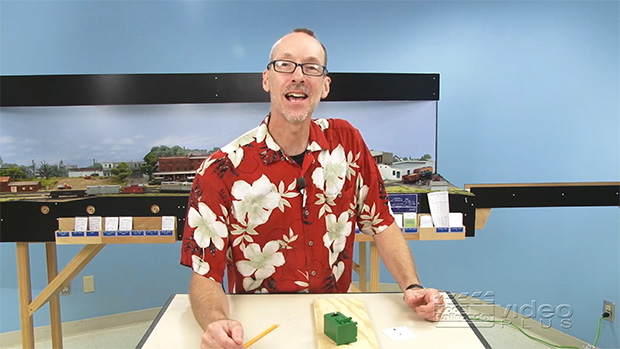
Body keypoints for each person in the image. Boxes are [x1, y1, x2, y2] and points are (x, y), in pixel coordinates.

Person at [180, 28, 445, 349]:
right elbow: (205, 273)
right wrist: (215, 321)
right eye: (285, 65)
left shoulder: (348, 143)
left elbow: (383, 223)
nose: (298, 76)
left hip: (336, 314)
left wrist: (411, 286)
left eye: (311, 67)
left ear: (325, 85)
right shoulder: (221, 170)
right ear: (266, 80)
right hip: (259, 324)